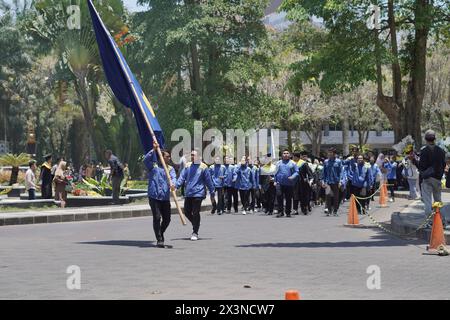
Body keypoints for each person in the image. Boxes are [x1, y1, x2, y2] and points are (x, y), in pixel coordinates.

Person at [176, 149, 215, 241]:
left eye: (194, 155)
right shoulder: (188, 166)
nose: (192, 156)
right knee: (186, 211)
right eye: (192, 155)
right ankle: (196, 222)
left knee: (195, 212)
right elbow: (182, 177)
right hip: (189, 193)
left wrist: (212, 192)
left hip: (199, 193)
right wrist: (176, 186)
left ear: (199, 156)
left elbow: (208, 181)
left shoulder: (203, 167)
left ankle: (195, 232)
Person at [144, 141, 176, 248]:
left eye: (169, 157)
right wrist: (153, 149)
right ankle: (159, 239)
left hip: (165, 197)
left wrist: (173, 184)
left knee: (167, 219)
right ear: (162, 156)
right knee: (157, 217)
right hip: (154, 196)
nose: (169, 158)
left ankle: (161, 233)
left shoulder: (170, 169)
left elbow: (173, 179)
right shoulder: (154, 166)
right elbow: (145, 160)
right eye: (167, 156)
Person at [418, 130, 446, 227]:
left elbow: (421, 166)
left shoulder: (424, 151)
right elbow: (444, 164)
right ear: (435, 139)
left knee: (427, 201)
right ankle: (441, 221)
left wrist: (413, 160)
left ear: (426, 139)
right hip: (438, 179)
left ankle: (429, 222)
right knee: (438, 201)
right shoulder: (441, 151)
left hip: (427, 179)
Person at [274, 150, 299, 218]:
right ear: (282, 155)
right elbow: (275, 173)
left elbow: (297, 172)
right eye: (284, 153)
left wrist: (292, 176)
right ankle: (280, 212)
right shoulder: (278, 163)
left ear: (290, 155)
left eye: (287, 153)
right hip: (279, 183)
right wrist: (275, 181)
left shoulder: (293, 163)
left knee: (288, 199)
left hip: (289, 184)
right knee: (279, 198)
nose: (286, 154)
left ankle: (288, 212)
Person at [322, 148, 343, 216]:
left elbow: (341, 172)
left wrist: (340, 181)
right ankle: (329, 210)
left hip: (336, 182)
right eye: (329, 152)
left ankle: (335, 211)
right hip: (328, 182)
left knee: (336, 197)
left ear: (334, 153)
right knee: (328, 196)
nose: (329, 154)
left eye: (331, 152)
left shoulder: (338, 161)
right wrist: (323, 182)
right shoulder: (326, 162)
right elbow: (324, 173)